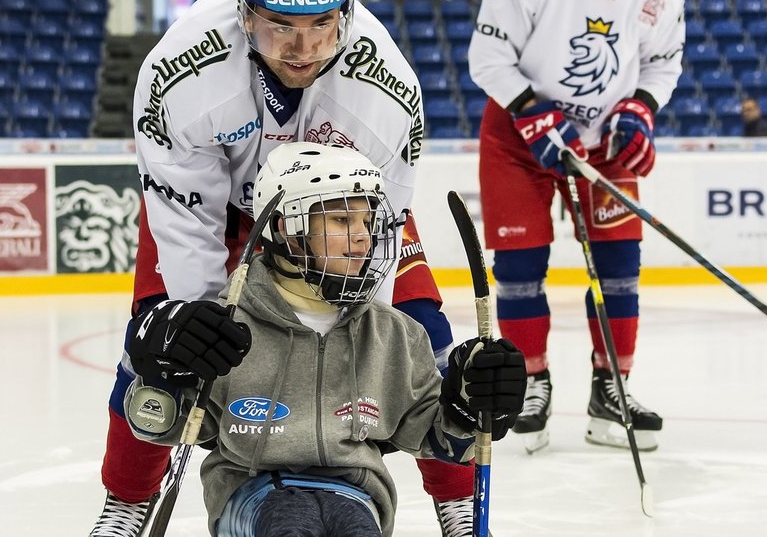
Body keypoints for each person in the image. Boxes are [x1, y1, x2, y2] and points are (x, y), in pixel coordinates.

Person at [90, 0, 480, 537]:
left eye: (322, 24)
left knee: (425, 336)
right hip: (219, 213)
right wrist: (195, 321)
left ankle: (457, 504)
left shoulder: (388, 92)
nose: (302, 49)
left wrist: (365, 333)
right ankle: (128, 501)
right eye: (280, 25)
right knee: (162, 341)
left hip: (339, 212)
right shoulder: (179, 72)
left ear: (345, 12)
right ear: (245, 11)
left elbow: (380, 232)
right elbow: (187, 224)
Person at [123, 142, 525, 536]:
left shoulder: (392, 332)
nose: (363, 238)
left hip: (355, 493)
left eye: (367, 222)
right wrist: (161, 375)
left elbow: (435, 437)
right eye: (342, 221)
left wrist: (470, 407)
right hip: (249, 493)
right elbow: (159, 426)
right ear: (287, 228)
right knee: (290, 520)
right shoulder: (226, 325)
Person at [467, 0, 684, 454]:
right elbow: (487, 58)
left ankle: (611, 388)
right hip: (519, 135)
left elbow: (663, 63)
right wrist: (532, 114)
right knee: (518, 270)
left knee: (619, 269)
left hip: (605, 140)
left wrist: (640, 109)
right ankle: (530, 383)